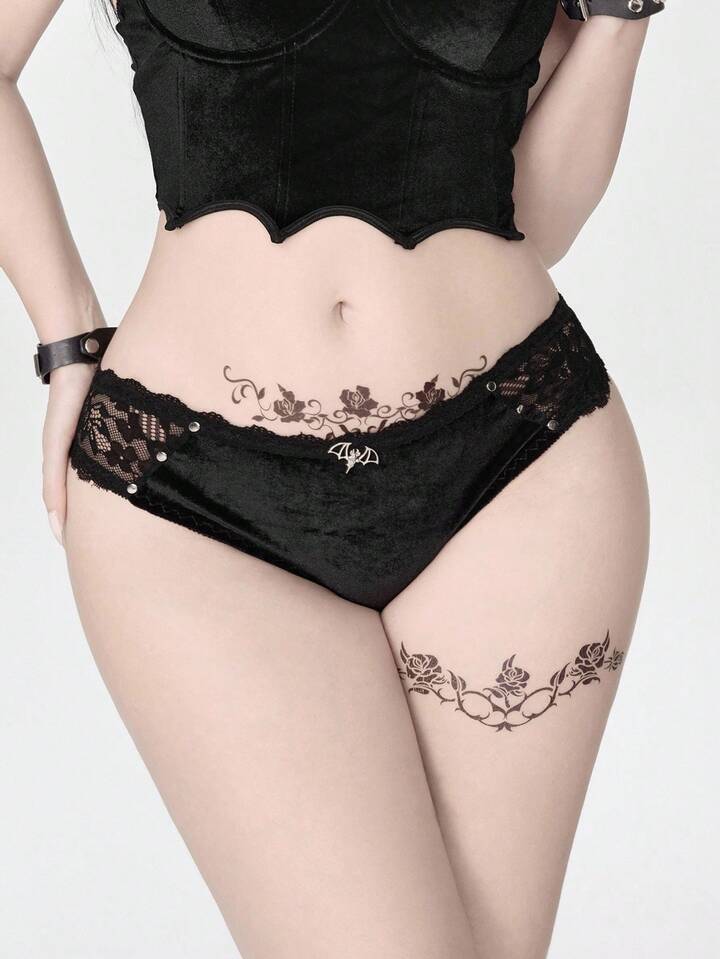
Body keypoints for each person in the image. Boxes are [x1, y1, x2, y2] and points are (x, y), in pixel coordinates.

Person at [1, 1, 663, 956]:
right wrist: (66, 337)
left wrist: (621, 22)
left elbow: (532, 219)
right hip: (197, 500)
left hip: (515, 467)